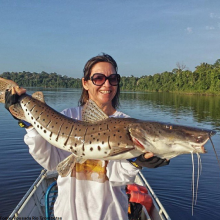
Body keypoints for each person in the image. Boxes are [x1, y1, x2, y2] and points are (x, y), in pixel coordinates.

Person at [5, 53, 169, 220]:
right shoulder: (67, 117)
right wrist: (28, 124)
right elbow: (51, 162)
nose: (107, 84)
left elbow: (117, 178)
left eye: (113, 78)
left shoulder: (127, 125)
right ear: (85, 83)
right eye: (98, 78)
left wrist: (136, 162)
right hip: (67, 215)